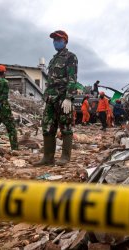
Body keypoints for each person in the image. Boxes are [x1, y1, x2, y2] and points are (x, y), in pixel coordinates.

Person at [34, 30, 78, 166]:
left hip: (62, 97)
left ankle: (65, 157)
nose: (55, 42)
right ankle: (48, 157)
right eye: (54, 40)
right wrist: (45, 96)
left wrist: (69, 98)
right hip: (51, 99)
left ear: (65, 41)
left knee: (65, 126)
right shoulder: (53, 59)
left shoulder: (70, 57)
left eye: (58, 40)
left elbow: (72, 78)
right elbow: (50, 80)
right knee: (47, 127)